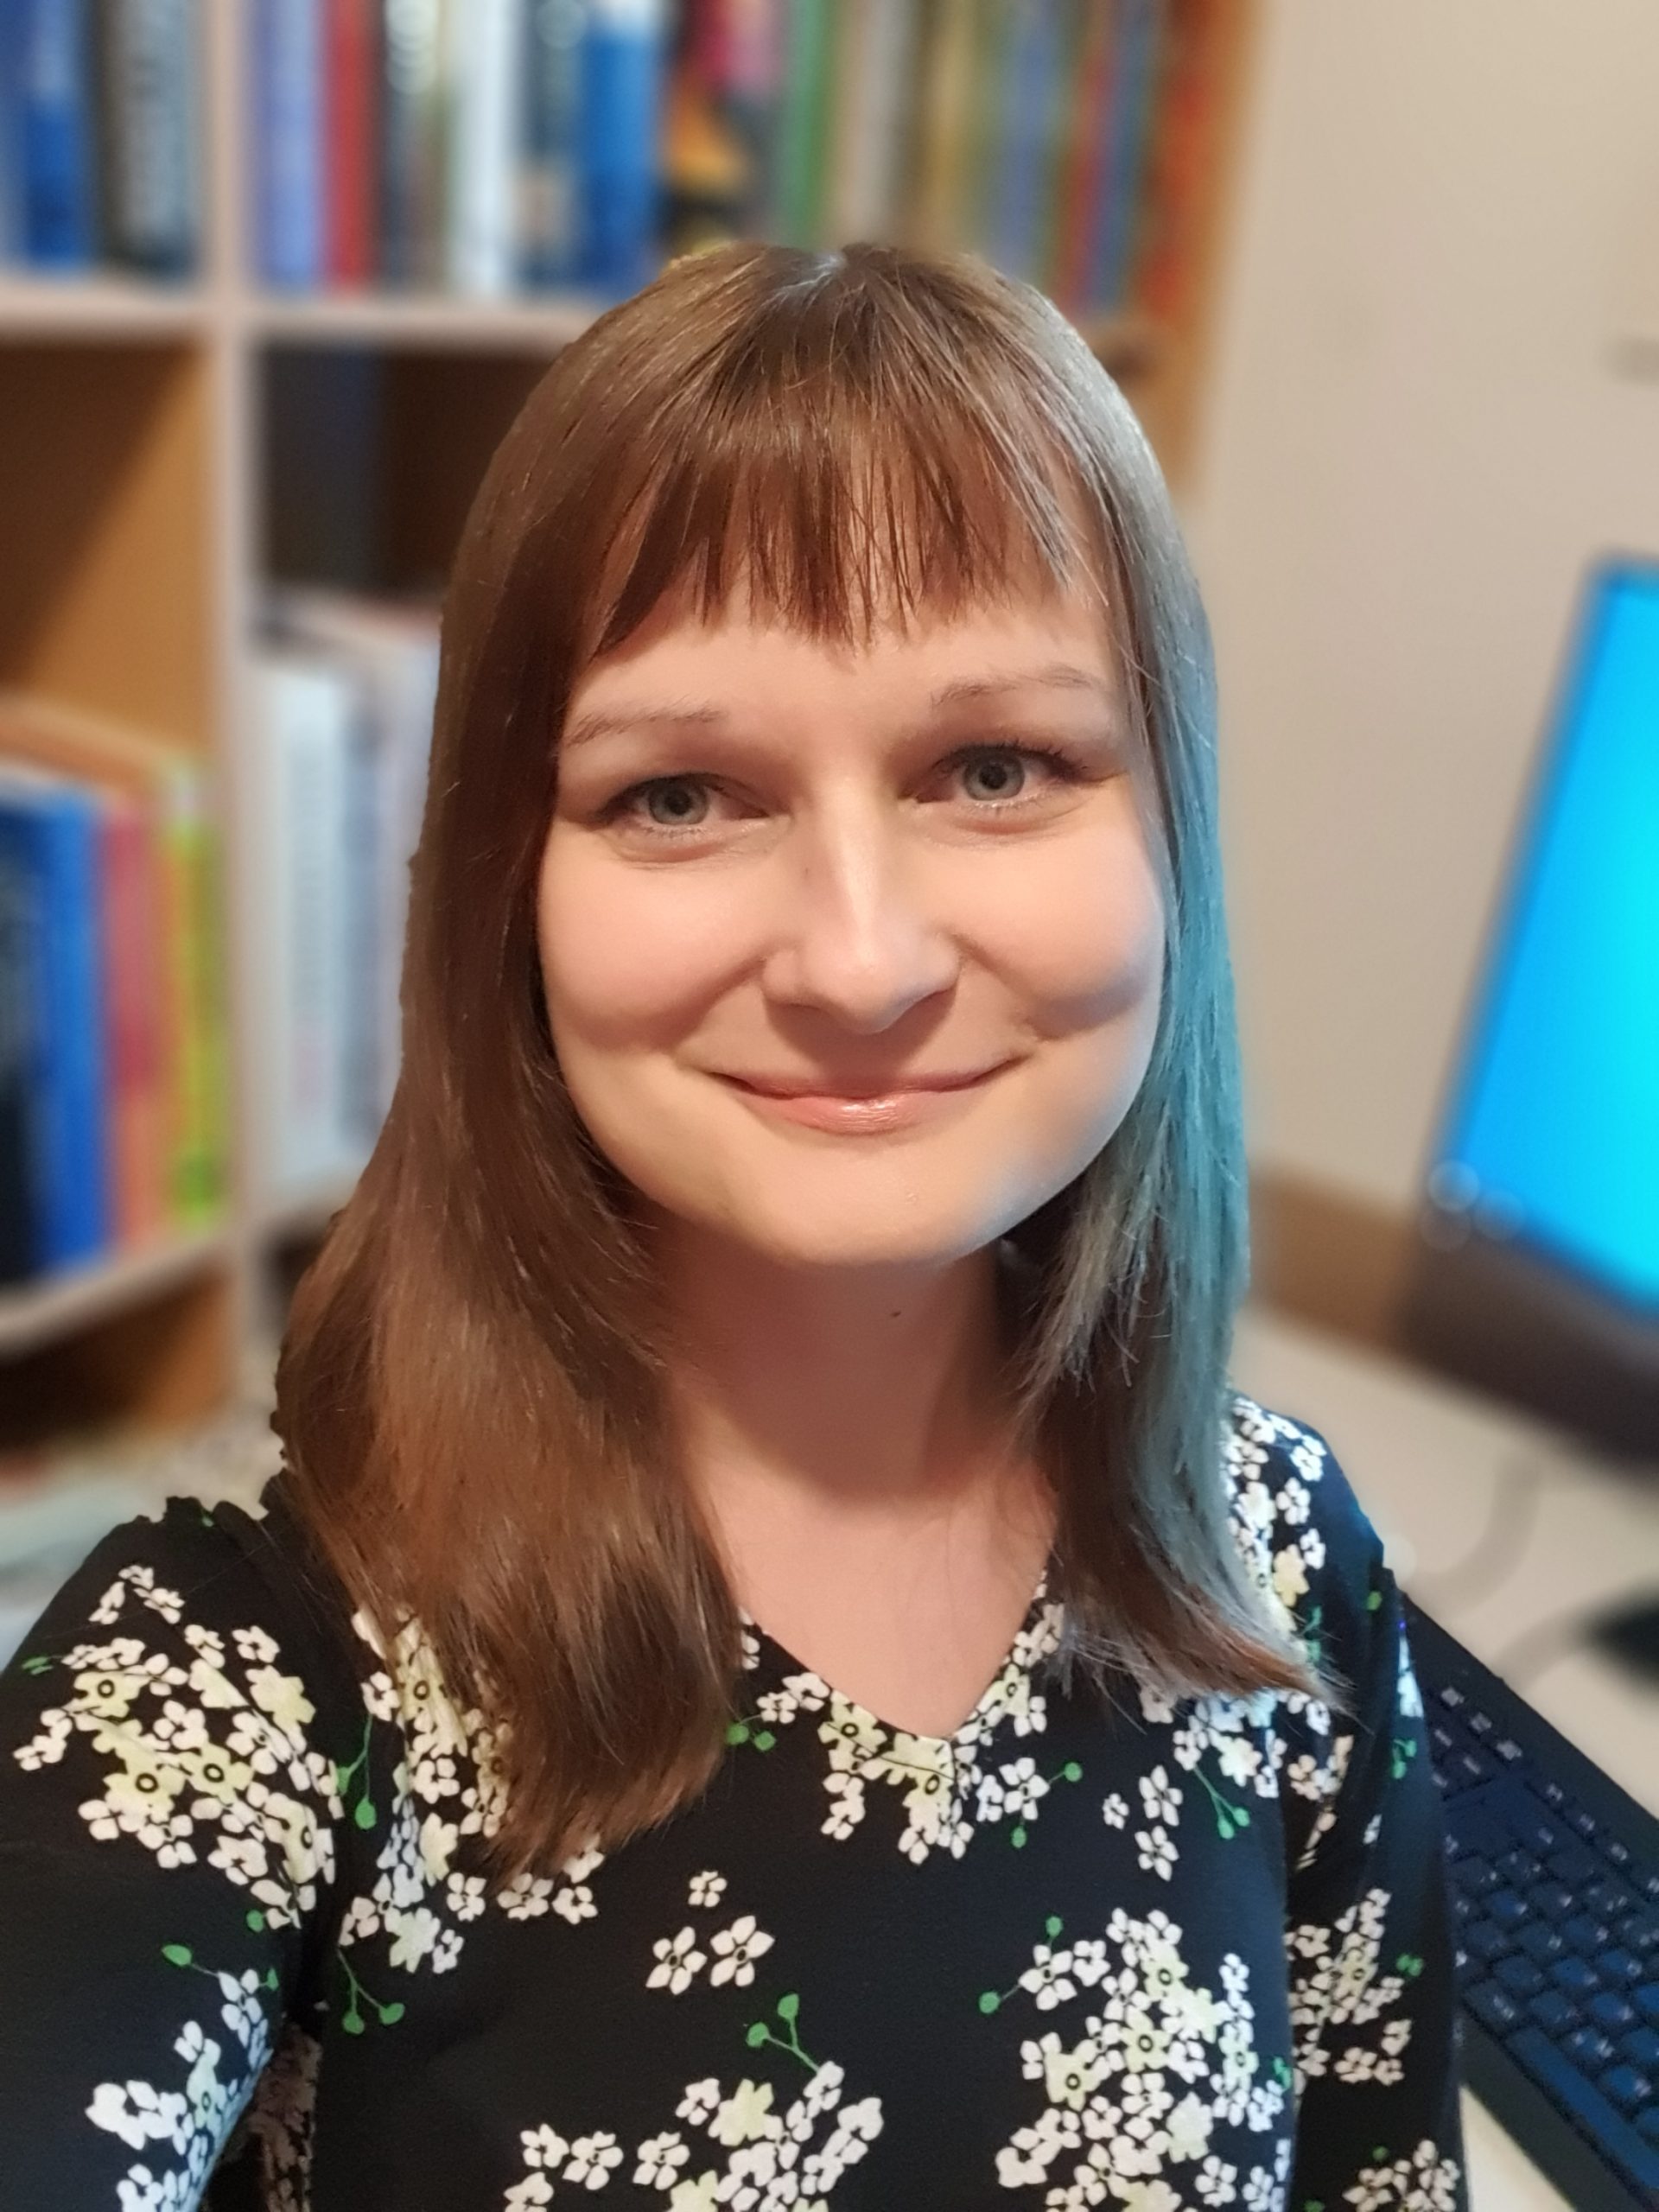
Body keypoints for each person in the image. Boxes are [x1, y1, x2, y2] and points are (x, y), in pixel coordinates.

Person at [0, 239, 1467, 2211]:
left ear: (1170, 833)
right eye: (681, 793)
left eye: (997, 765)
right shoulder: (245, 1670)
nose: (860, 960)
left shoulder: (1280, 1557)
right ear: (503, 893)